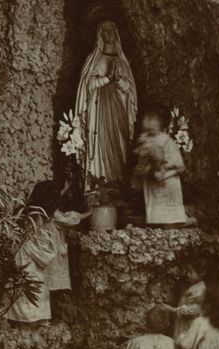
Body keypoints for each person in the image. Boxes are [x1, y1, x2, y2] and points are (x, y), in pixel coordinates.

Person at [75, 20, 137, 189]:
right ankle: (98, 185)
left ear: (116, 34)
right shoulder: (94, 60)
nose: (108, 35)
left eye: (111, 31)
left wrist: (118, 81)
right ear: (99, 35)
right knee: (100, 145)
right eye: (105, 32)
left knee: (120, 145)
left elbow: (130, 92)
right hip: (99, 111)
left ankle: (118, 185)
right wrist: (107, 78)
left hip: (118, 112)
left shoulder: (123, 62)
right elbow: (88, 86)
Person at [3, 187, 58, 325]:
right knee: (33, 287)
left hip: (18, 260)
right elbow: (44, 255)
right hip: (28, 262)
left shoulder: (24, 211)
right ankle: (31, 324)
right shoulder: (37, 218)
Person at [133, 104, 191, 227]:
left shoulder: (166, 140)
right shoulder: (144, 140)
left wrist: (163, 171)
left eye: (152, 120)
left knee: (169, 216)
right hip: (152, 181)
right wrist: (143, 169)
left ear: (160, 123)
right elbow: (142, 159)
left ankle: (187, 222)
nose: (148, 122)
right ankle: (160, 228)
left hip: (167, 180)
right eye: (146, 119)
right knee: (157, 216)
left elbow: (178, 164)